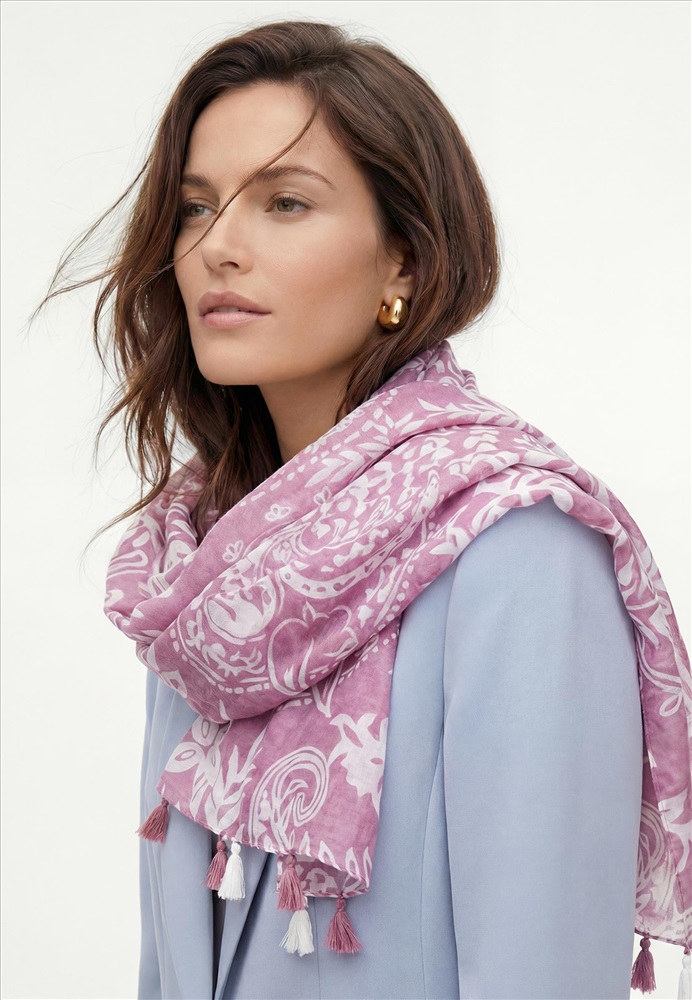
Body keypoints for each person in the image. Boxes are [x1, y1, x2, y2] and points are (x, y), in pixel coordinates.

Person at [38, 18, 691, 1000]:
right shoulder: (201, 579)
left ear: (405, 263)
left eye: (285, 203)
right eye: (196, 207)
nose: (218, 246)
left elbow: (542, 971)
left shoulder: (517, 551)